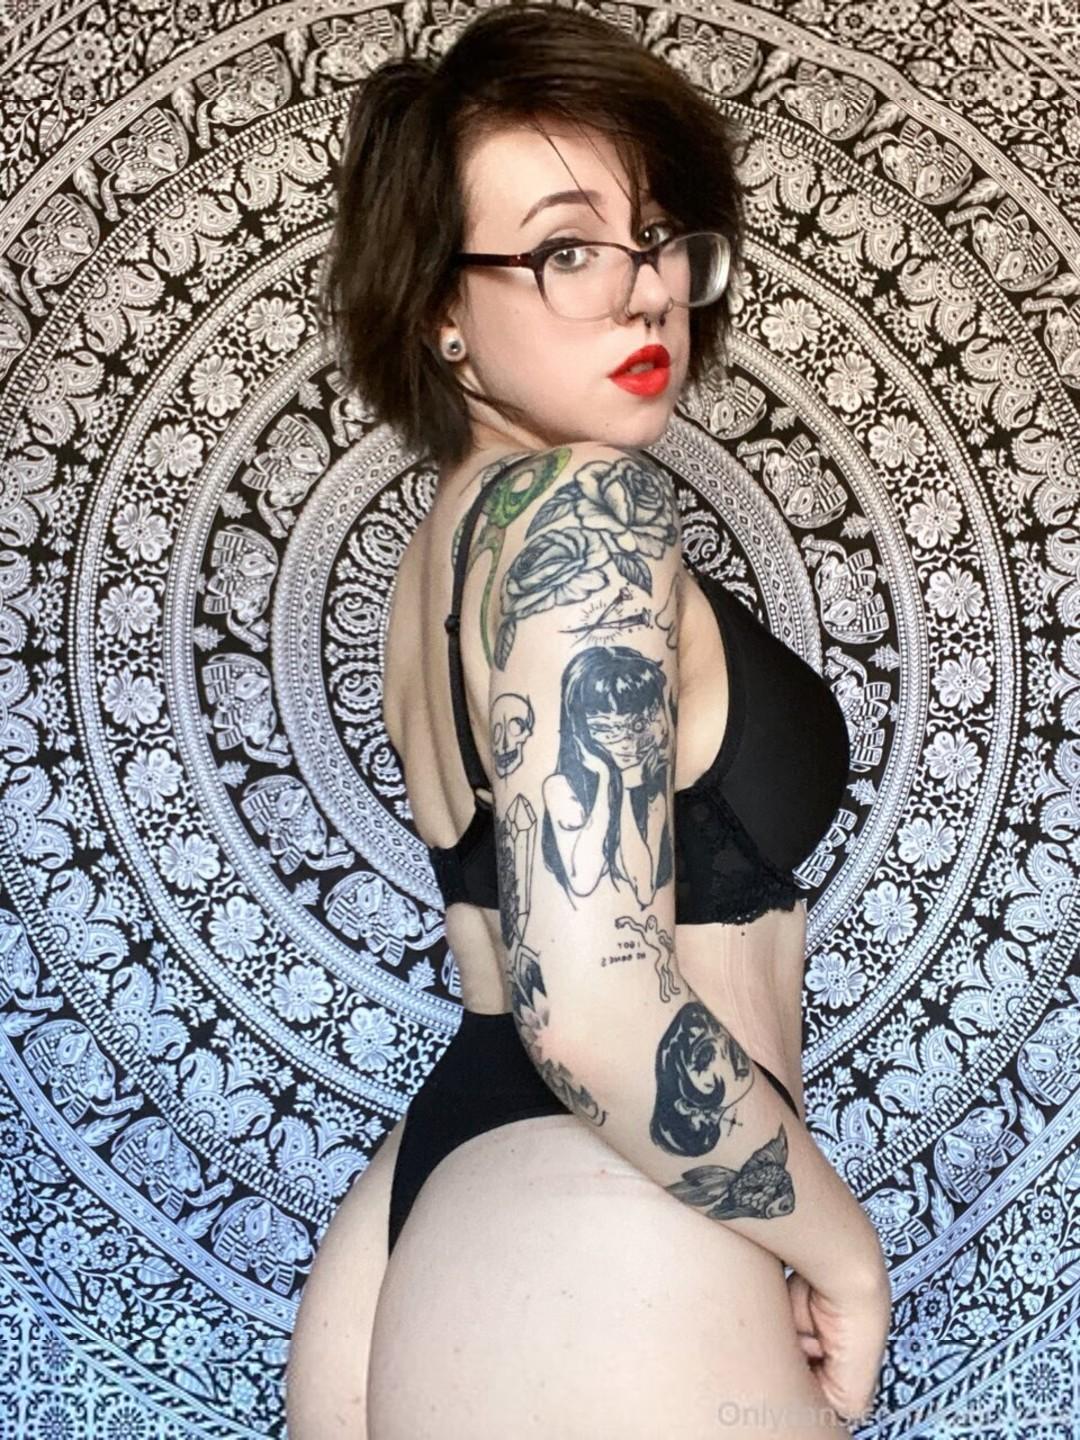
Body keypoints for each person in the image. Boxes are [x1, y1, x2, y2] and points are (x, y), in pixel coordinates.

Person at [285, 5, 892, 1436]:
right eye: (565, 250)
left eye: (658, 237)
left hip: (434, 1219)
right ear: (439, 309)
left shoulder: (445, 548)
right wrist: (844, 1255)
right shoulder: (580, 510)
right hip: (607, 1230)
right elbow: (596, 1002)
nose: (644, 295)